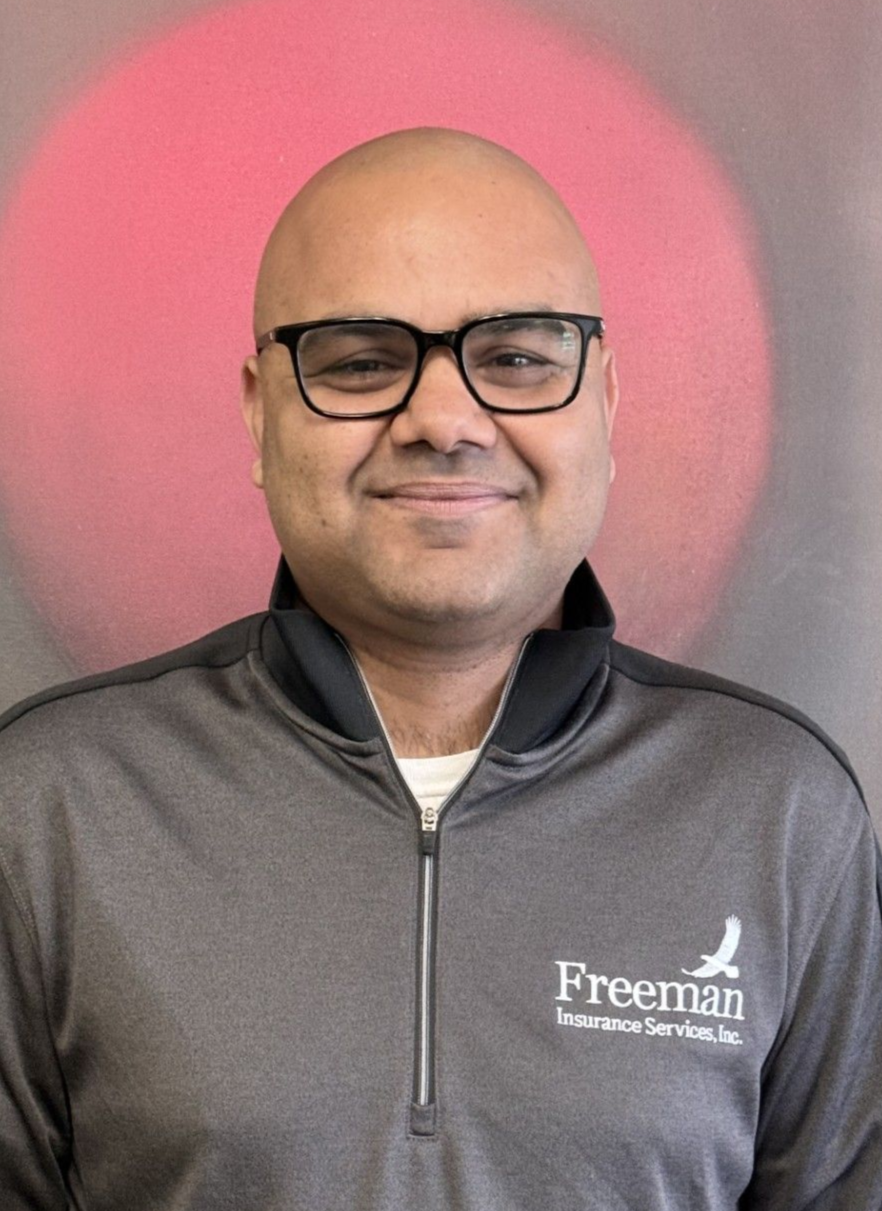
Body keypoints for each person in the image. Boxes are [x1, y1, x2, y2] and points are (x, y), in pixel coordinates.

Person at [0, 127, 880, 1211]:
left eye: (516, 356)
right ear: (260, 408)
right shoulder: (50, 807)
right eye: (361, 360)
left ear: (603, 399)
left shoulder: (778, 811)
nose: (445, 421)